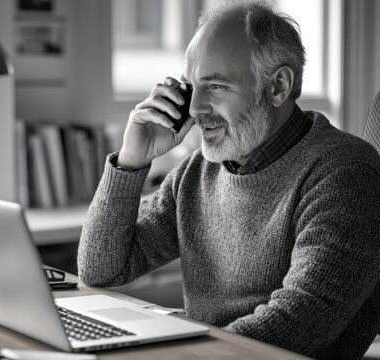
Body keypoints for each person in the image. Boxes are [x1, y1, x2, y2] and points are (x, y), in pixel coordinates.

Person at [77, 1, 380, 359]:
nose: (193, 109)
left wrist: (180, 352)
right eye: (192, 87)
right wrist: (131, 161)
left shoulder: (347, 174)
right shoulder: (198, 171)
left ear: (278, 86)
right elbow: (101, 270)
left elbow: (300, 321)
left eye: (216, 87)